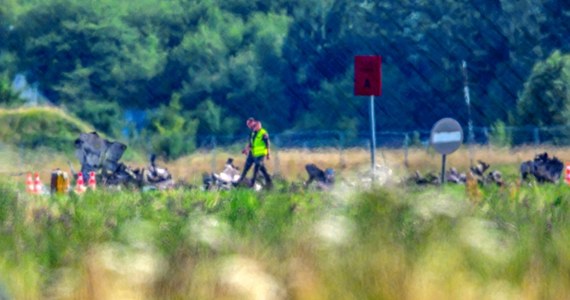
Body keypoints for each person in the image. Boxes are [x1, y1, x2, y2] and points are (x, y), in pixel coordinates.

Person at [237, 119, 272, 189]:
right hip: (253, 153)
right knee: (250, 168)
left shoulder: (263, 133)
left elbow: (268, 144)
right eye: (248, 125)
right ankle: (269, 182)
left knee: (257, 167)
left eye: (251, 125)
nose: (250, 127)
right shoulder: (252, 133)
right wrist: (246, 150)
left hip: (261, 154)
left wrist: (268, 154)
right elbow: (251, 144)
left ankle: (252, 183)